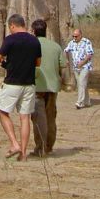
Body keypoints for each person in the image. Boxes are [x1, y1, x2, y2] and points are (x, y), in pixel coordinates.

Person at [0, 13, 42, 162]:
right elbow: (38, 63)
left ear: (12, 25)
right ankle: (24, 154)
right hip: (29, 84)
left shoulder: (10, 39)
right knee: (24, 117)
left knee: (2, 112)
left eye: (10, 27)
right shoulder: (34, 41)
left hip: (12, 83)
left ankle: (14, 144)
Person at [30, 19, 65, 156]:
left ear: (33, 31)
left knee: (39, 118)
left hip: (37, 86)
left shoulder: (31, 45)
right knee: (51, 116)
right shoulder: (55, 46)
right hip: (53, 87)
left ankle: (41, 148)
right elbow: (63, 64)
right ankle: (49, 146)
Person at [65, 27, 94, 109]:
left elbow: (90, 54)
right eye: (73, 36)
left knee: (81, 82)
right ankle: (87, 101)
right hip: (75, 67)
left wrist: (82, 63)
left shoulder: (86, 42)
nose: (74, 38)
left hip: (85, 66)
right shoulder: (71, 43)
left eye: (76, 36)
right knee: (82, 84)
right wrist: (67, 60)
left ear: (81, 35)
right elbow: (66, 50)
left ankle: (80, 102)